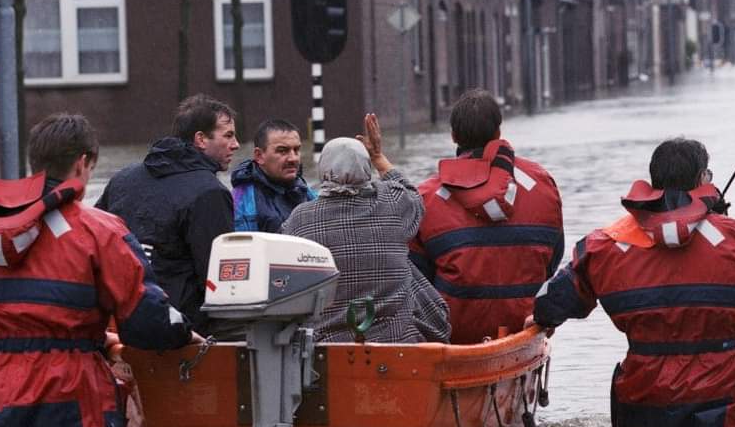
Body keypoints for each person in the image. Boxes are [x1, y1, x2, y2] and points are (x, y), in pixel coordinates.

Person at [0, 113, 201, 427]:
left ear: (36, 164)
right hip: (68, 396)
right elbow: (146, 320)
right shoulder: (97, 229)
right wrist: (184, 331)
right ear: (84, 163)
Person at [532, 138, 735, 427]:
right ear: (701, 181)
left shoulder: (605, 244)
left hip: (642, 397)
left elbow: (550, 305)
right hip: (722, 400)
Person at [410, 89, 564, 344]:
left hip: (453, 340)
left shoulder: (425, 198)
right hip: (523, 331)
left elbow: (418, 281)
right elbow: (551, 258)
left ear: (453, 136)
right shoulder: (542, 184)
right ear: (498, 133)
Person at [281, 116, 450, 344]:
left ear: (322, 171)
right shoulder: (393, 202)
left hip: (327, 345)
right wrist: (379, 157)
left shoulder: (299, 219)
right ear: (366, 169)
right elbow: (412, 193)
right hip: (398, 342)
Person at [96, 94, 239, 336]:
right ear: (201, 140)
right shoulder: (210, 193)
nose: (236, 144)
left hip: (118, 321)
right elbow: (218, 280)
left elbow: (95, 242)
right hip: (180, 329)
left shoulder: (123, 178)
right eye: (228, 135)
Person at [232, 119, 317, 233]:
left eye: (296, 150)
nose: (293, 158)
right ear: (259, 156)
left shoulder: (306, 192)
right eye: (282, 151)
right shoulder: (243, 199)